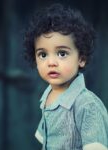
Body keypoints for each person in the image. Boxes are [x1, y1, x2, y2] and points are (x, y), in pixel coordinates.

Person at [23, 3, 108, 150]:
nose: (51, 62)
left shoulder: (87, 106)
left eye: (62, 53)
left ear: (81, 58)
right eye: (43, 54)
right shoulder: (48, 95)